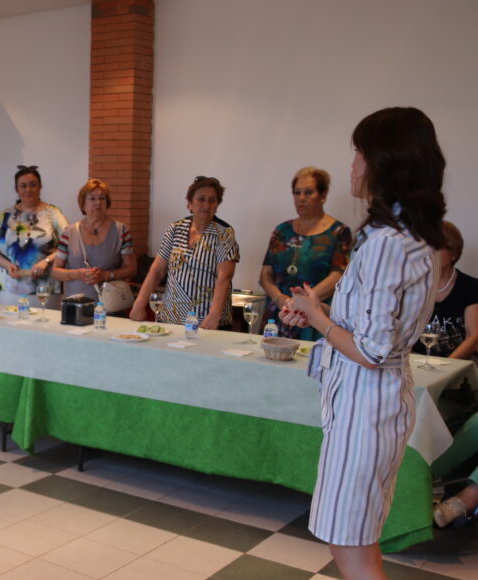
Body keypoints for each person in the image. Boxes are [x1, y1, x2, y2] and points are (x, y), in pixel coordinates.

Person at [282, 107, 446, 579]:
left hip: (367, 401)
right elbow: (373, 329)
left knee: (349, 539)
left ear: (385, 162)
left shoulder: (390, 242)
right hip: (366, 399)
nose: (352, 164)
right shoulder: (398, 235)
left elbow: (372, 351)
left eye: (358, 152)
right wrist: (320, 310)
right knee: (350, 537)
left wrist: (317, 317)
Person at [131, 176, 239, 328]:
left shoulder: (224, 234)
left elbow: (224, 277)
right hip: (171, 319)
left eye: (212, 200)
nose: (206, 205)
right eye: (201, 199)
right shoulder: (176, 228)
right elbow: (157, 270)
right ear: (189, 203)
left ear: (217, 205)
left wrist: (214, 315)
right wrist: (139, 303)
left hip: (206, 322)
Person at [259, 167, 352, 340]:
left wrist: (302, 303)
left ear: (323, 195)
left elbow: (338, 276)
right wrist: (279, 299)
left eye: (308, 192)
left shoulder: (339, 232)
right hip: (278, 314)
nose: (301, 198)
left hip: (313, 317)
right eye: (297, 192)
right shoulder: (282, 230)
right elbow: (265, 274)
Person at [0, 165, 69, 307]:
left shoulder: (53, 213)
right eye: (23, 186)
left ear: (40, 187)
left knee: (44, 321)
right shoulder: (6, 216)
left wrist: (46, 261)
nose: (28, 189)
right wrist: (7, 265)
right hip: (8, 288)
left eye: (33, 185)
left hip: (45, 288)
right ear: (17, 189)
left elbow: (68, 245)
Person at [52, 178, 137, 309]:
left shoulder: (121, 230)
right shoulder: (69, 232)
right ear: (83, 204)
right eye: (92, 198)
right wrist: (78, 274)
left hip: (110, 307)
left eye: (102, 198)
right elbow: (56, 271)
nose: (98, 203)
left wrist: (106, 275)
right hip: (75, 307)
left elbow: (131, 269)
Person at [411, 221, 478, 359]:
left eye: (438, 247)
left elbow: (473, 336)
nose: (431, 253)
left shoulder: (471, 286)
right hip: (417, 361)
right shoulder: (412, 286)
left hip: (459, 362)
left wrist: (448, 366)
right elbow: (403, 332)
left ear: (454, 253)